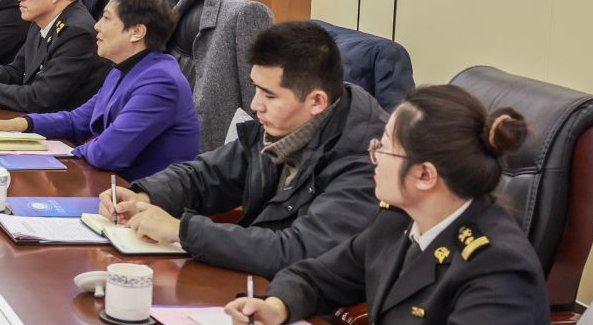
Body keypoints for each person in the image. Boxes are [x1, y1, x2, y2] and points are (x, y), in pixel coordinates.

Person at [224, 87, 551, 325]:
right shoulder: (398, 221)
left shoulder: (497, 263)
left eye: (385, 148)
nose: (374, 157)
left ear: (424, 175)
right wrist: (277, 306)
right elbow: (317, 276)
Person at [104, 21, 386, 277]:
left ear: (316, 101)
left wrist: (182, 230)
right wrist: (145, 195)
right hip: (258, 284)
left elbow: (298, 251)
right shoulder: (282, 127)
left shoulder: (368, 161)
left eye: (269, 95)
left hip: (305, 303)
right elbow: (206, 175)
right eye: (256, 88)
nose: (254, 105)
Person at [0, 0, 201, 181]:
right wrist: (22, 124)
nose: (97, 25)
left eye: (106, 18)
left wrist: (71, 151)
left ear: (137, 32)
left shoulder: (160, 82)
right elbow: (77, 120)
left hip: (143, 200)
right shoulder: (122, 69)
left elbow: (107, 153)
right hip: (111, 186)